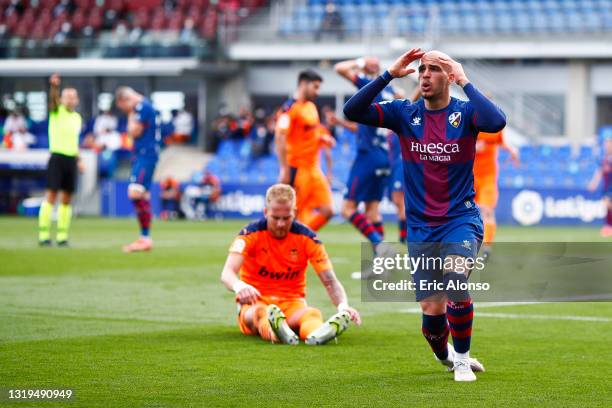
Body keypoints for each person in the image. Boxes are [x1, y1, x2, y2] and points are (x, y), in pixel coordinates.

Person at [344, 48, 506, 381]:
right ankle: (446, 355)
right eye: (422, 69)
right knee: (432, 313)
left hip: (460, 220)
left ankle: (462, 359)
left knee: (456, 280)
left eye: (434, 69)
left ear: (448, 77)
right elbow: (353, 110)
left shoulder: (466, 113)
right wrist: (389, 73)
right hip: (421, 228)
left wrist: (465, 79)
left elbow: (496, 121)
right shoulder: (405, 113)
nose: (425, 75)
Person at [220, 184, 361, 345]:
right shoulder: (250, 234)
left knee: (312, 314)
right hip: (256, 302)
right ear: (266, 212)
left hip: (292, 303)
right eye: (275, 217)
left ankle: (316, 335)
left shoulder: (307, 238)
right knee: (261, 313)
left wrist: (343, 306)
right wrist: (240, 286)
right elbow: (227, 273)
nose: (280, 224)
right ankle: (277, 333)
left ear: (294, 212)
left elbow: (330, 280)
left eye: (286, 218)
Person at [334, 56, 404, 250]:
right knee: (372, 210)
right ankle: (380, 263)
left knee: (347, 209)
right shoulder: (390, 92)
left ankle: (379, 244)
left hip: (368, 155)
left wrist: (359, 61)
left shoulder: (369, 85)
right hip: (384, 156)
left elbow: (339, 67)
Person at [275, 69, 335, 232]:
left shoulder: (311, 107)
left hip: (314, 168)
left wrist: (323, 139)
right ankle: (293, 245)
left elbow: (310, 133)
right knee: (294, 214)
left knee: (328, 211)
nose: (317, 91)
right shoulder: (289, 109)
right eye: (315, 87)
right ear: (303, 84)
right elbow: (280, 138)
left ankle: (302, 237)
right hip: (298, 169)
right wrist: (284, 168)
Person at [38, 74, 82, 247]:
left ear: (77, 100)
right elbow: (53, 101)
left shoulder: (77, 118)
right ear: (62, 99)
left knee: (66, 199)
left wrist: (79, 159)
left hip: (71, 159)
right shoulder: (57, 112)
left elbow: (74, 141)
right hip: (57, 157)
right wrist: (54, 87)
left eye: (73, 97)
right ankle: (43, 234)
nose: (70, 100)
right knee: (51, 196)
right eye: (67, 97)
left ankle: (62, 236)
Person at [115, 86, 161, 253]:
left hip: (145, 155)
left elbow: (134, 131)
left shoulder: (141, 107)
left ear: (124, 100)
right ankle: (144, 237)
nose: (126, 111)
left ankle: (145, 237)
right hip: (145, 154)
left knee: (134, 193)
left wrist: (130, 114)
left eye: (124, 107)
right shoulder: (145, 106)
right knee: (142, 194)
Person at [474, 128, 519, 259]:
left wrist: (512, 150)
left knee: (487, 210)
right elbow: (455, 146)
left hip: (488, 178)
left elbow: (502, 142)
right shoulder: (468, 123)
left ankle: (487, 247)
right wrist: (472, 148)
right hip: (469, 177)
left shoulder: (494, 128)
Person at [588, 137, 612, 237]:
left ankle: (608, 226)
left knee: (608, 205)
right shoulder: (605, 158)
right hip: (606, 186)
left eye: (609, 144)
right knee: (607, 205)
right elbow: (600, 171)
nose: (607, 146)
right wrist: (594, 182)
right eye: (606, 144)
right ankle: (608, 226)